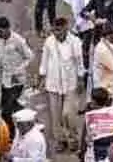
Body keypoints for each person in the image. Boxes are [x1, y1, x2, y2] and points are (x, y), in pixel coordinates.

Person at [39, 17, 86, 154]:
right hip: (53, 83)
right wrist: (42, 77)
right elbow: (44, 60)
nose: (56, 33)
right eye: (54, 30)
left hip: (70, 83)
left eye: (59, 30)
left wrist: (81, 79)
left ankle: (73, 139)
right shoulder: (49, 42)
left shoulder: (75, 42)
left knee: (68, 114)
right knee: (56, 115)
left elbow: (79, 62)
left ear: (66, 28)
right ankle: (61, 140)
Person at [0, 17, 33, 125]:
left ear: (7, 28)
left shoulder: (18, 40)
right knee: (7, 108)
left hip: (17, 81)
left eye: (0, 31)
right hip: (5, 80)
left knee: (8, 110)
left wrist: (18, 71)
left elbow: (29, 57)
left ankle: (15, 130)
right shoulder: (0, 39)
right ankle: (22, 123)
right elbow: (1, 56)